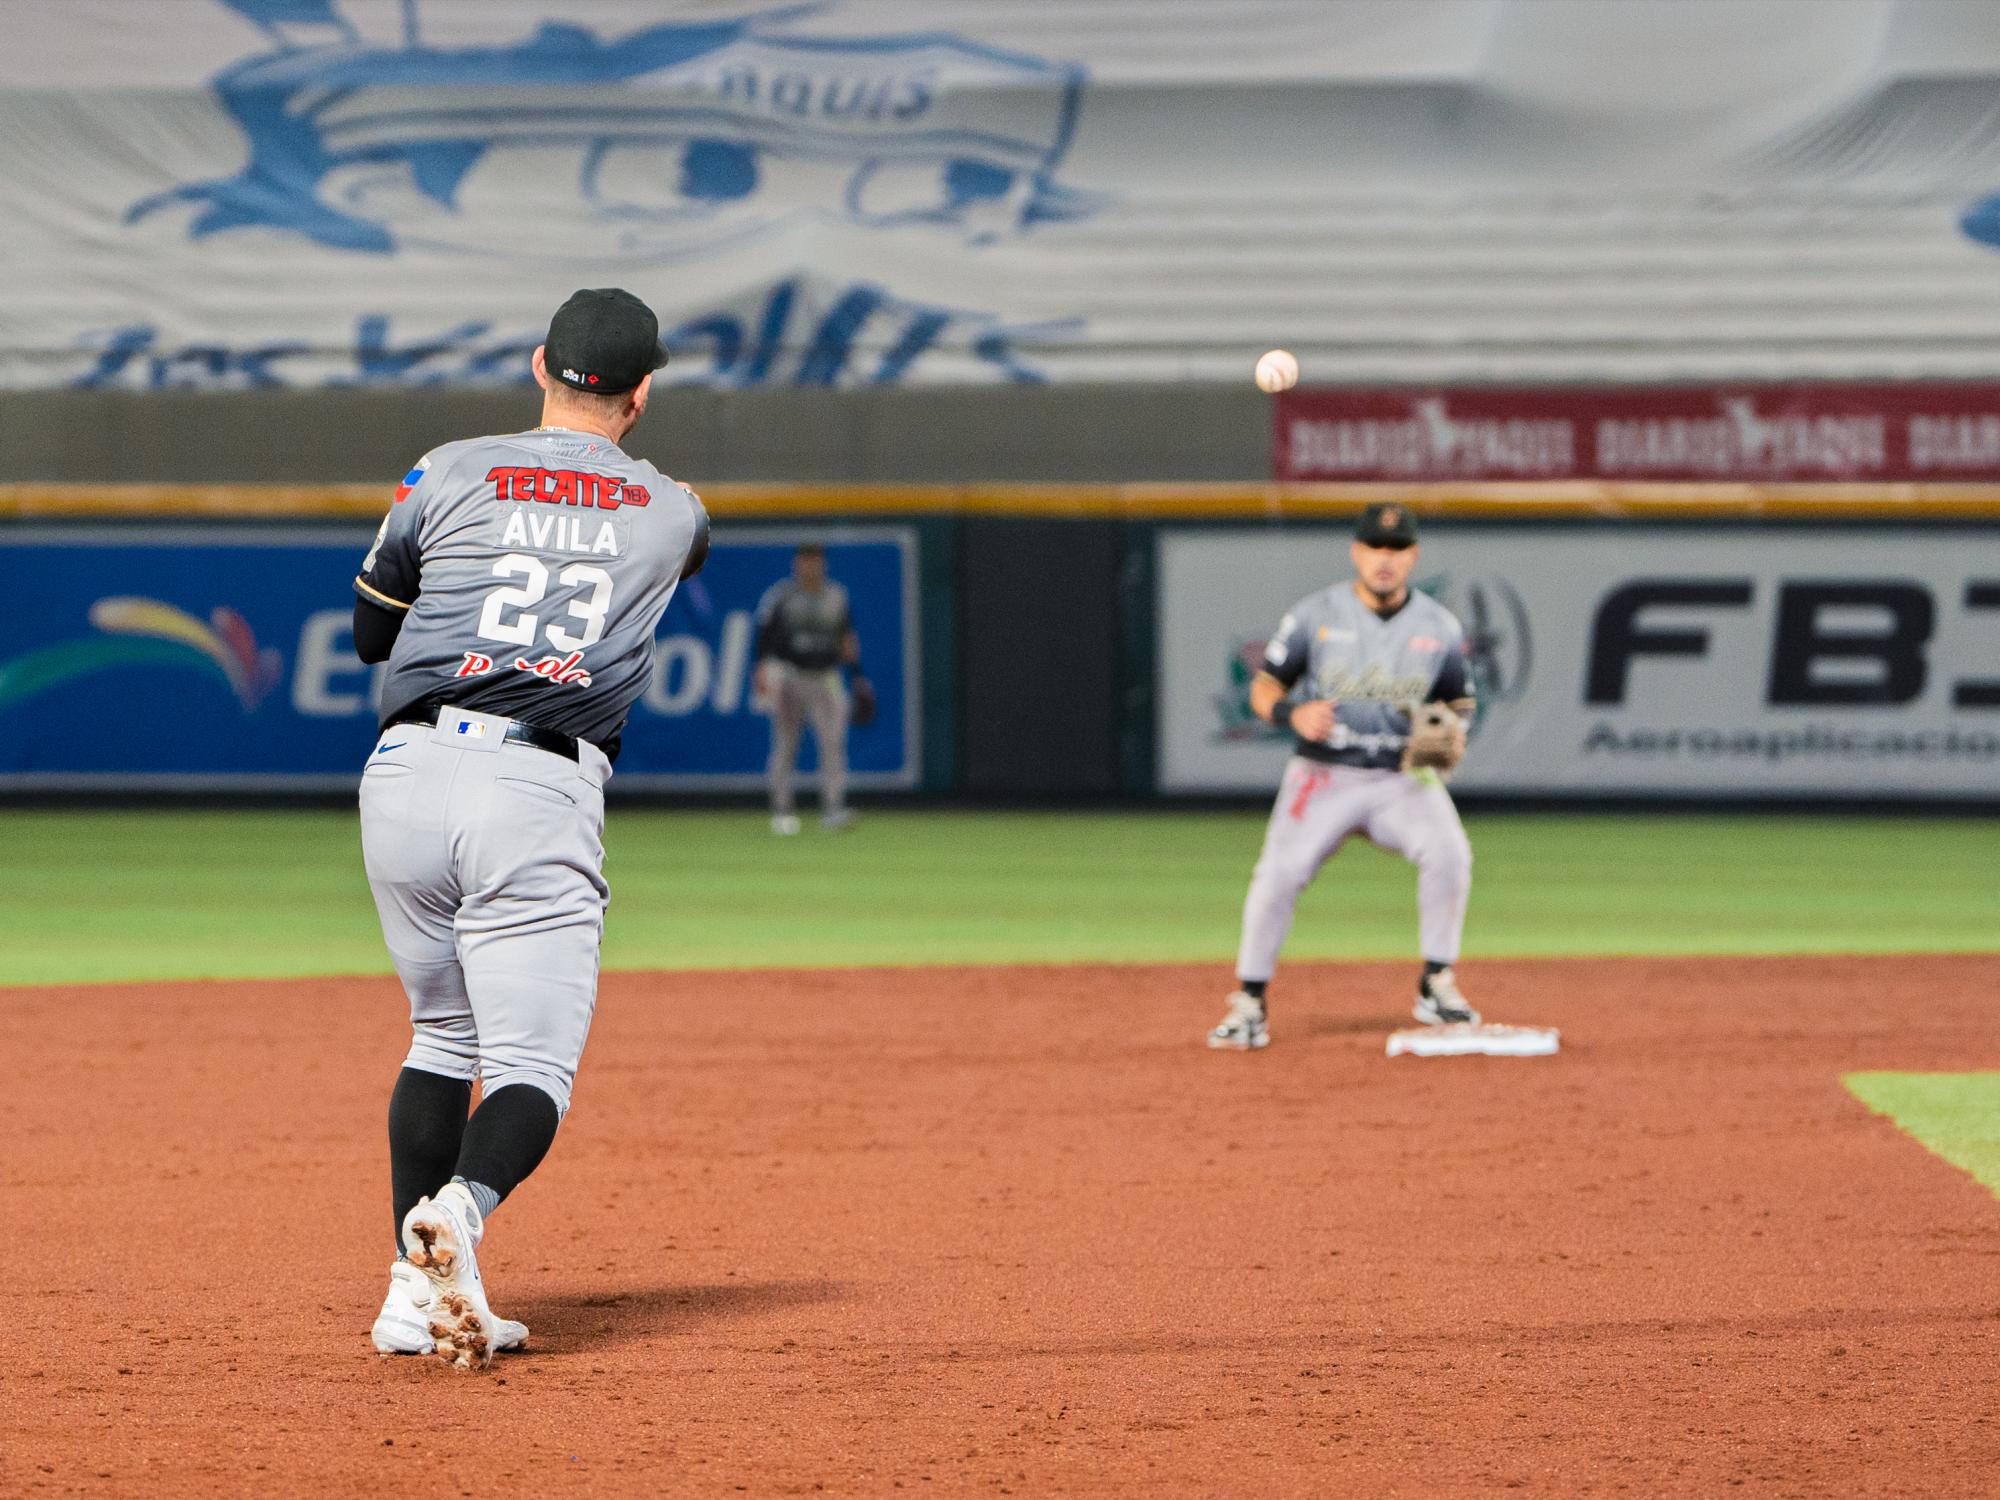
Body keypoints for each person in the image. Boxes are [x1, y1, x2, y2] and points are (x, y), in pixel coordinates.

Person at [349, 287, 709, 1367]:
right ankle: (455, 1216)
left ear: (538, 361)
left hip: (405, 770)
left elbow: (373, 630)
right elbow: (645, 555)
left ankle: (411, 1304)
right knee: (529, 1070)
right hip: (537, 784)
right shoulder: (675, 509)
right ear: (642, 393)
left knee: (438, 1037)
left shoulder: (446, 466)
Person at [1209, 503, 1479, 1051]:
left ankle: (1436, 982)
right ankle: (1250, 1001)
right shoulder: (1315, 614)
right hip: (1323, 772)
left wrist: (1451, 731)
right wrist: (1290, 715)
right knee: (1278, 872)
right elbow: (1265, 688)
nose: (1386, 559)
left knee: (1450, 853)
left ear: (1413, 557)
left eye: (1397, 549)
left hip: (1401, 778)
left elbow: (1459, 700)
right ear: (1356, 552)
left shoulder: (1438, 626)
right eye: (1376, 548)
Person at [753, 543, 867, 834]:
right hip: (790, 675)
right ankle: (782, 811)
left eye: (815, 562)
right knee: (785, 744)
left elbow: (847, 639)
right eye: (805, 562)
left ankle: (833, 809)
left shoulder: (837, 596)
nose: (810, 567)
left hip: (826, 676)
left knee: (833, 745)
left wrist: (857, 677)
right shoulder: (782, 597)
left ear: (823, 565)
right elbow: (764, 639)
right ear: (796, 565)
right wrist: (762, 670)